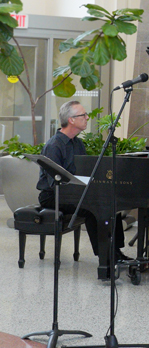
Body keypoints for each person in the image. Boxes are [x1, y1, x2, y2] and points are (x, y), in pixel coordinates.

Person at [36, 101, 129, 263]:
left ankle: (115, 251)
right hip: (52, 196)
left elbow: (83, 172)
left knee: (111, 203)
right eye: (83, 115)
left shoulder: (78, 143)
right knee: (92, 208)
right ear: (71, 120)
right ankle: (105, 256)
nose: (87, 118)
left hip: (73, 192)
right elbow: (54, 183)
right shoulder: (54, 146)